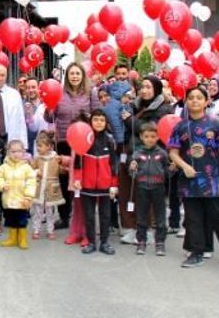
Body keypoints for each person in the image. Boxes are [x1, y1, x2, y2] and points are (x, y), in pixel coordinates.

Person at [167, 86, 219, 270]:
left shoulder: (215, 124)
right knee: (193, 219)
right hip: (188, 182)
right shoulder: (180, 126)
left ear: (206, 101)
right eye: (191, 97)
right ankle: (196, 253)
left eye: (198, 98)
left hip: (212, 181)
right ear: (186, 101)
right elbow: (173, 153)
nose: (194, 101)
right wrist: (184, 167)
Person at [44, 62, 100, 230]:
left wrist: (89, 117)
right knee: (63, 180)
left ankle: (82, 216)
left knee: (82, 178)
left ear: (82, 75)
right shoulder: (59, 93)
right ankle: (64, 215)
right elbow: (48, 118)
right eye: (71, 73)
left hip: (84, 142)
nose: (74, 76)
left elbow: (98, 115)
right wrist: (49, 109)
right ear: (67, 76)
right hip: (63, 141)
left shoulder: (91, 92)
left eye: (77, 73)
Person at [122, 75, 173, 244]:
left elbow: (149, 130)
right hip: (133, 152)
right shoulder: (133, 105)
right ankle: (133, 228)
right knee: (132, 192)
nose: (144, 90)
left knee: (150, 192)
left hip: (153, 154)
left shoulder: (163, 109)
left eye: (149, 87)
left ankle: (150, 229)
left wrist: (130, 120)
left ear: (156, 89)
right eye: (142, 86)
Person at [75, 110, 119, 255]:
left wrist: (114, 184)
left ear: (106, 122)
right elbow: (78, 162)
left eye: (102, 120)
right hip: (86, 185)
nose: (99, 122)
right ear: (90, 121)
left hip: (105, 186)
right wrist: (77, 179)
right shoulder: (84, 139)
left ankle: (105, 242)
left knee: (105, 215)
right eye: (96, 119)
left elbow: (114, 164)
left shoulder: (110, 140)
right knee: (89, 215)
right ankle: (91, 242)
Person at [129, 122, 169, 256]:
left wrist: (172, 169)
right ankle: (141, 241)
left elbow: (168, 172)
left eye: (153, 136)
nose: (150, 139)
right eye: (147, 136)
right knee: (141, 216)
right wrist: (132, 168)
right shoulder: (137, 154)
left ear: (158, 137)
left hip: (158, 188)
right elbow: (132, 174)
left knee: (160, 216)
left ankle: (160, 242)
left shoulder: (162, 153)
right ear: (141, 137)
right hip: (141, 188)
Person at [0, 140, 37, 249]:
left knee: (22, 220)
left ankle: (22, 239)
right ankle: (12, 239)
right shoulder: (3, 167)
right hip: (8, 200)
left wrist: (28, 197)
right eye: (13, 151)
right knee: (10, 220)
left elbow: (31, 182)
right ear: (8, 152)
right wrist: (2, 185)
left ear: (23, 152)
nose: (16, 154)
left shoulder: (27, 168)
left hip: (22, 201)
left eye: (19, 151)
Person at [0, 64, 28, 150]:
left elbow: (21, 120)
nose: (0, 78)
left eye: (2, 75)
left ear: (6, 76)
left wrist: (24, 145)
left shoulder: (14, 94)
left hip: (11, 140)